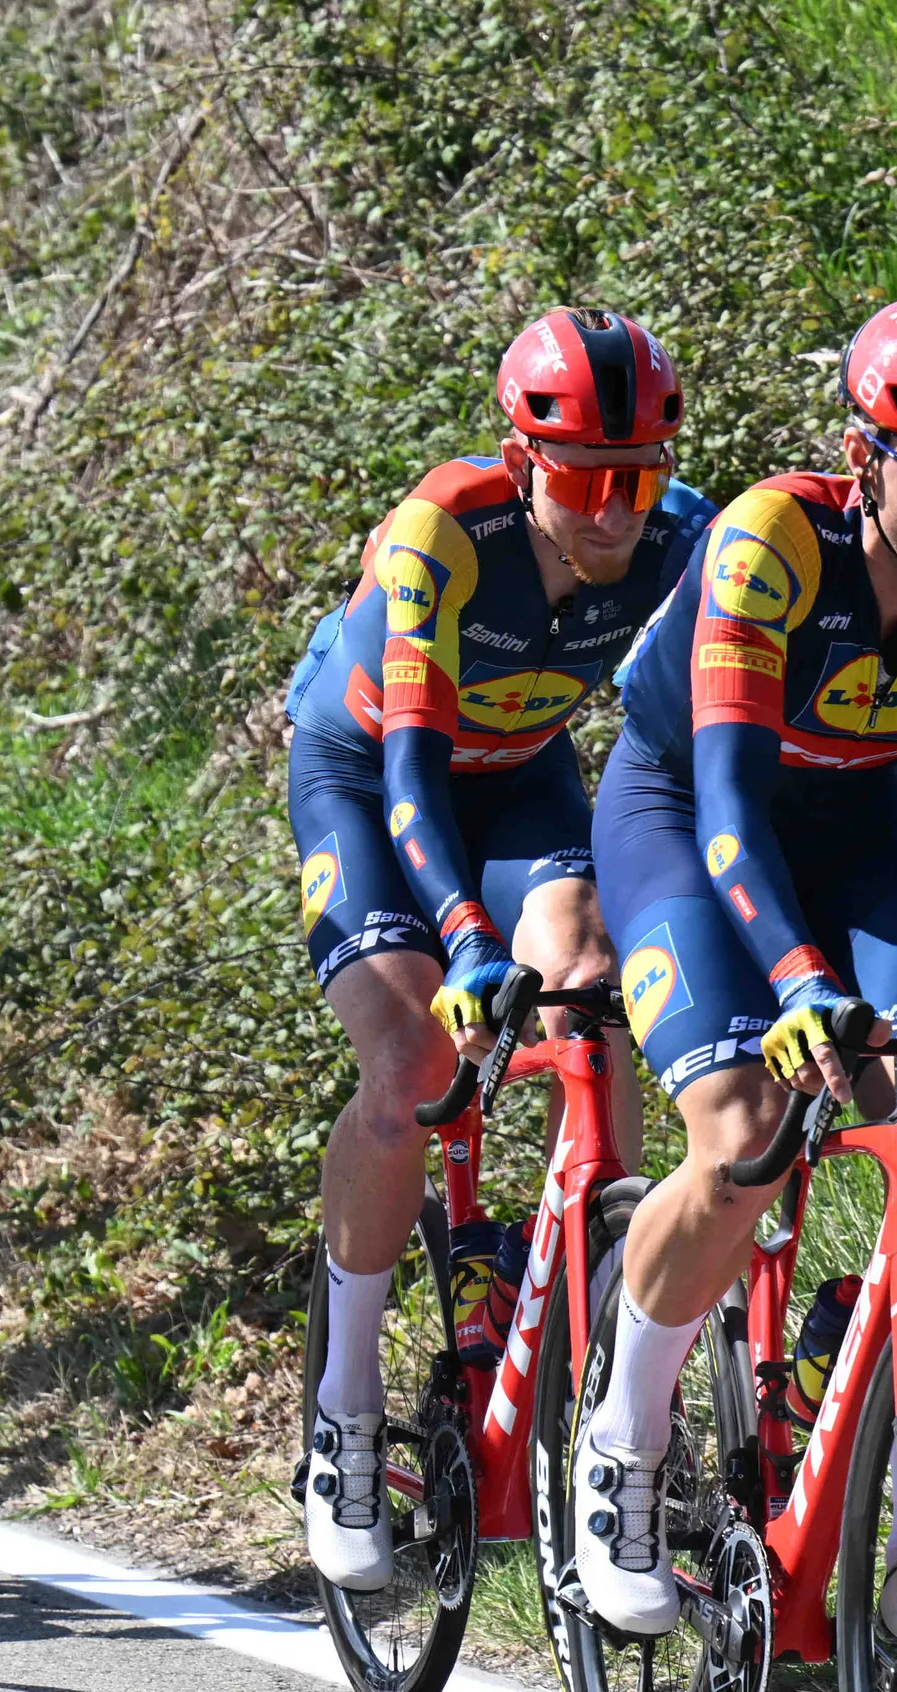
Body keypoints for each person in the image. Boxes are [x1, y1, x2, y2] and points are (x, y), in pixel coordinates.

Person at [566, 294, 897, 1636]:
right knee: (745, 1128)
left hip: (859, 816)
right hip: (686, 814)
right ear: (862, 459)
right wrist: (799, 978)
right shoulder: (771, 543)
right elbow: (734, 809)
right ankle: (622, 1448)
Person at [285, 307, 706, 1586]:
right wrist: (464, 935)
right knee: (414, 1059)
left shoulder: (683, 542)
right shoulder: (438, 540)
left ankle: (583, 1283)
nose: (614, 509)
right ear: (522, 463)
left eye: (638, 478)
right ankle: (344, 1408)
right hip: (369, 776)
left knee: (587, 982)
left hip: (521, 778)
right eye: (584, 480)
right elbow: (409, 769)